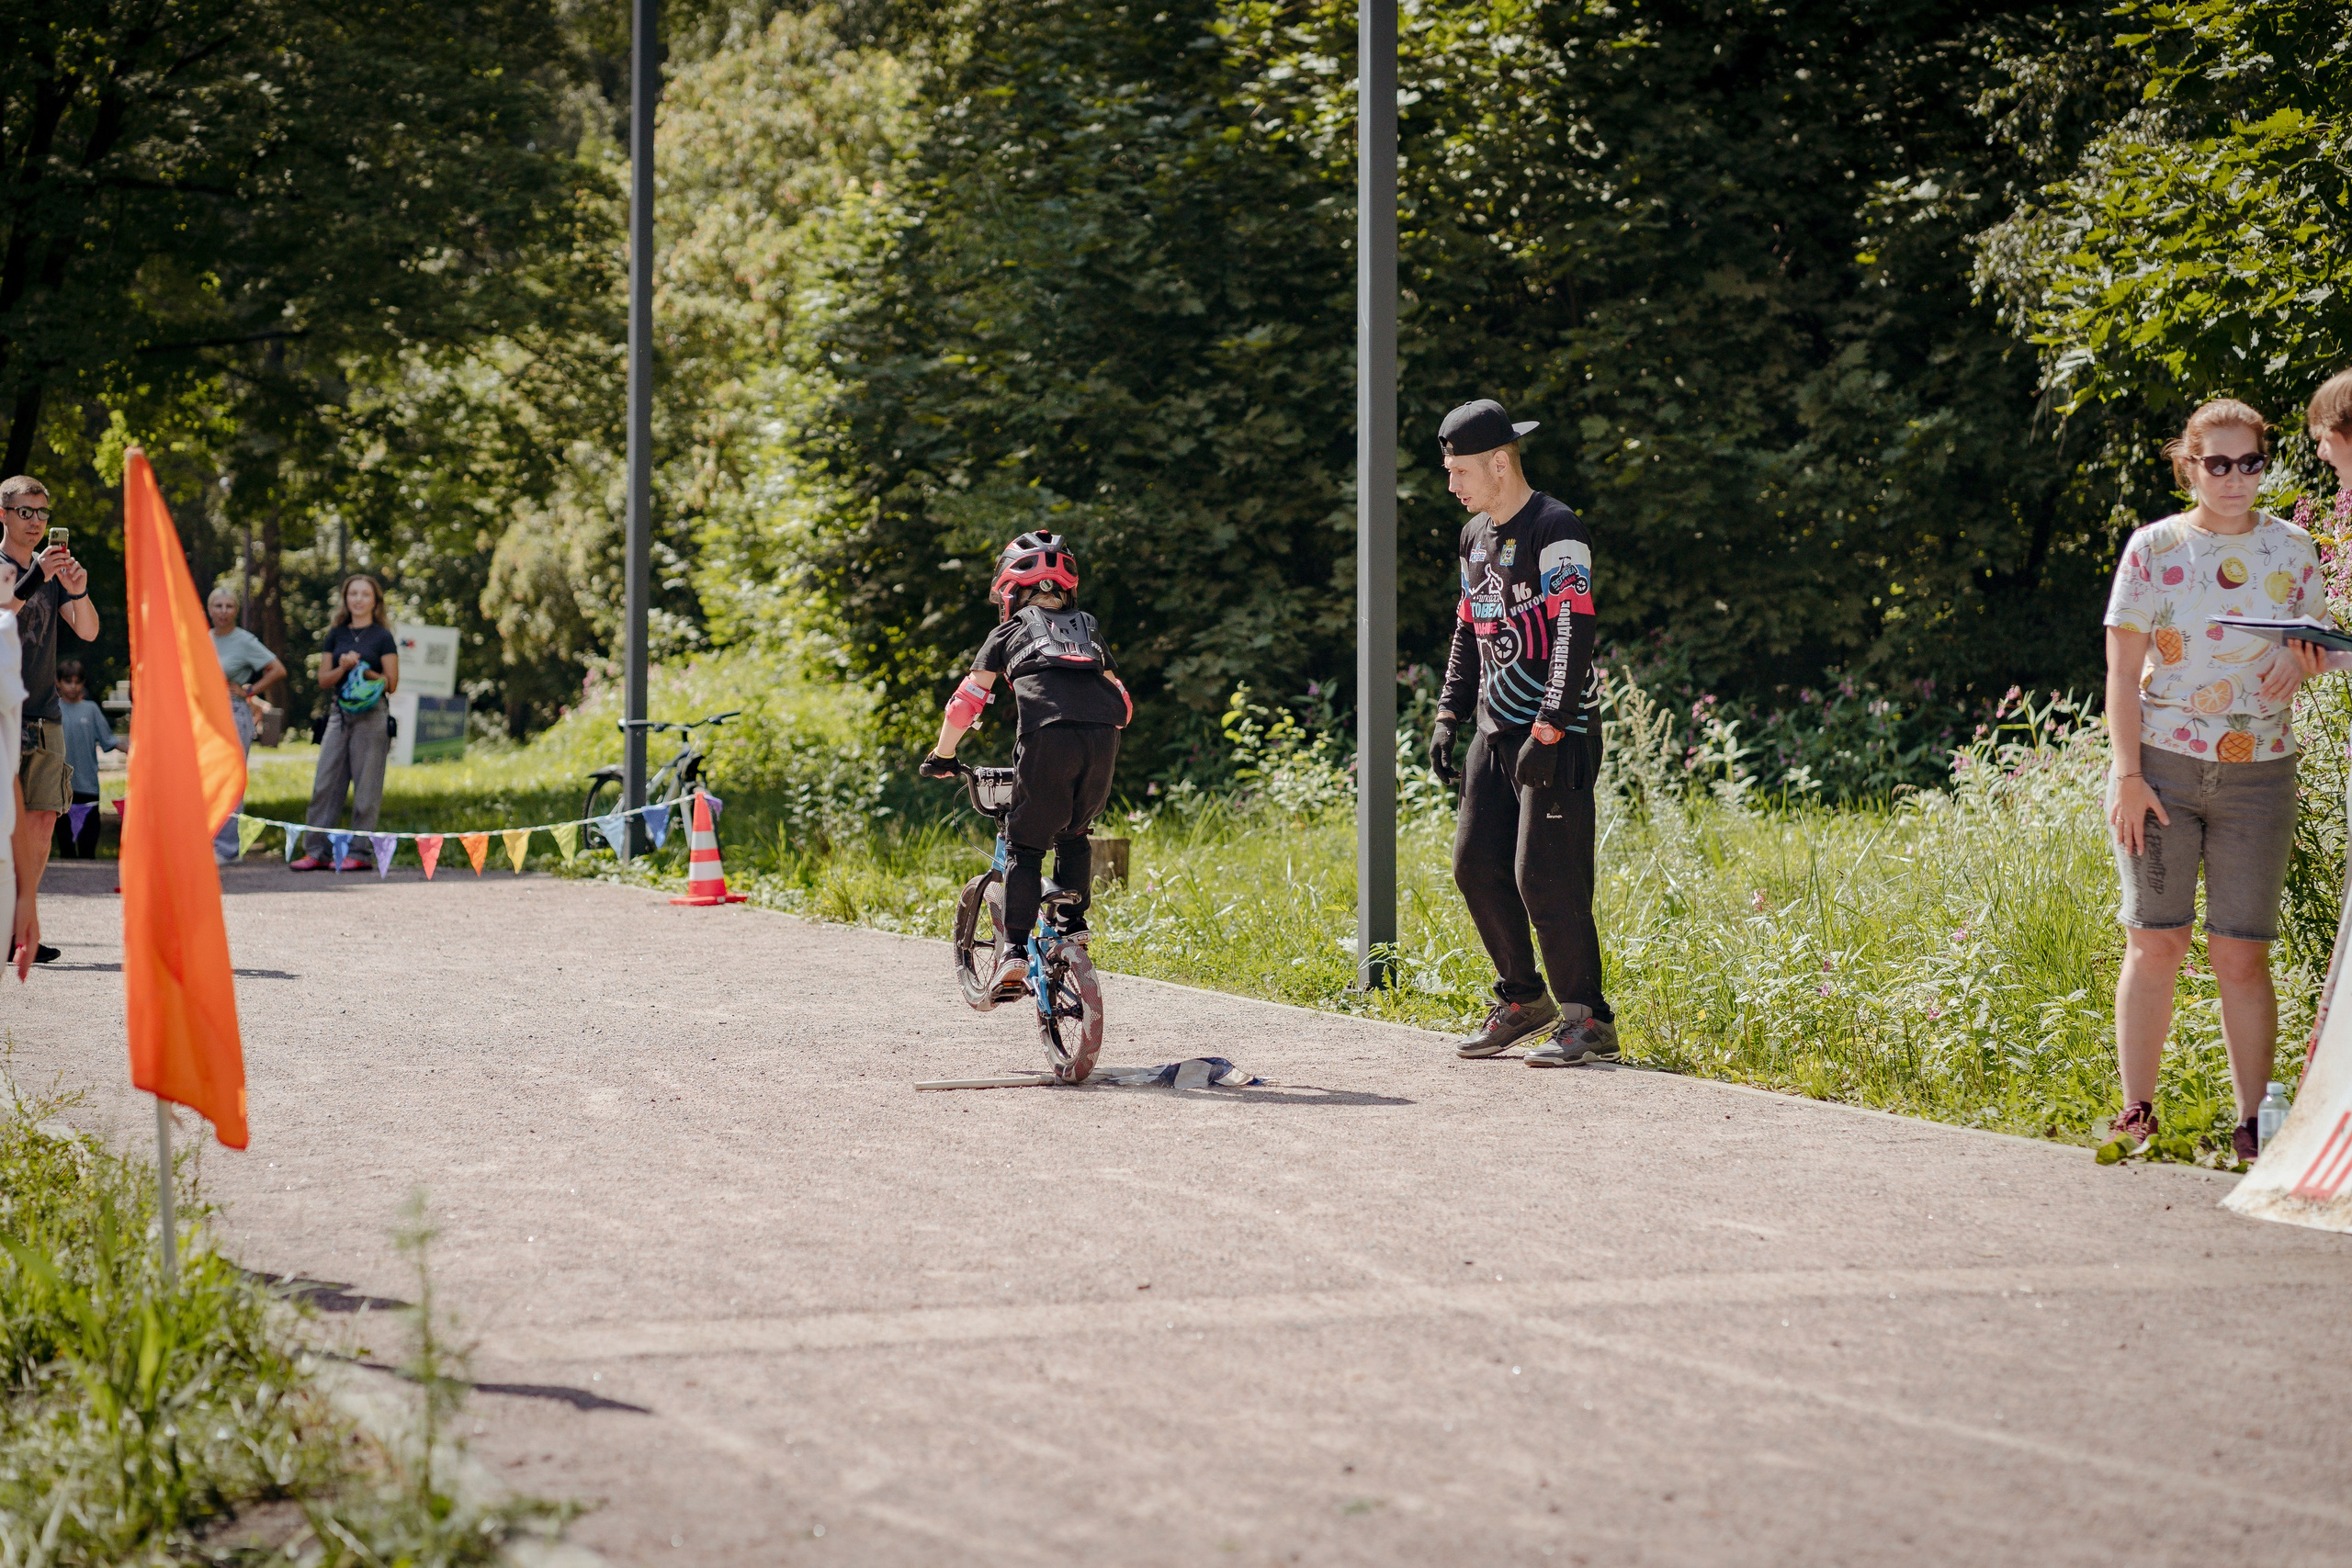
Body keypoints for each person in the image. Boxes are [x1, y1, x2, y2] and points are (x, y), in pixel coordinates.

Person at [2104, 399, 2319, 1164]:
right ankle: (2136, 1112)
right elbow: (2122, 675)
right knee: (2155, 941)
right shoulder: (2154, 548)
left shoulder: (2295, 550)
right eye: (2218, 464)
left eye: (2251, 462)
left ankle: (2254, 1127)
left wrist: (2303, 658)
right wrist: (2128, 777)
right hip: (2160, 766)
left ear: (2266, 463)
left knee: (2242, 952)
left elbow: (2314, 647)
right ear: (2189, 465)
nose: (2235, 479)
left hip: (2261, 774)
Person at [1425, 400, 1616, 1066]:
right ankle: (1523, 998)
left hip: (1556, 731)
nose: (1451, 485)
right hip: (1495, 728)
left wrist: (1552, 725)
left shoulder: (1555, 526)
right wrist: (1449, 713)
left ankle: (1587, 1020)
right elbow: (1466, 627)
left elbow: (1574, 626)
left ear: (1500, 463)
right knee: (1474, 864)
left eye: (1460, 471)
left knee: (1546, 876)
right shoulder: (1474, 537)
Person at [919, 533, 1131, 991]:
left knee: (1025, 842)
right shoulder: (1090, 628)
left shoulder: (1009, 631)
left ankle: (1013, 951)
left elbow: (965, 704)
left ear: (1011, 590)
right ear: (1066, 589)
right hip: (1102, 741)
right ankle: (1074, 927)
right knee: (1074, 832)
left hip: (1047, 737)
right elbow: (1123, 703)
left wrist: (943, 755)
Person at [0, 476, 97, 964]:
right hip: (1, 714)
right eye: (25, 512)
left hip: (45, 713)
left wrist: (76, 591)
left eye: (42, 512)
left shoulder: (53, 573)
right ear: (3, 515)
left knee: (41, 822)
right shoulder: (4, 568)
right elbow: (1, 610)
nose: (35, 521)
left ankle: (21, 928)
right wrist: (37, 575)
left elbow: (91, 631)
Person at [290, 573, 398, 873]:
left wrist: (365, 670)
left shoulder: (382, 637)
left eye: (365, 594)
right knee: (325, 784)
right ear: (346, 599)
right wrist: (342, 667)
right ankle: (317, 851)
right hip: (339, 714)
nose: (359, 599)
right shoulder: (335, 634)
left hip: (373, 715)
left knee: (366, 790)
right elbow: (324, 680)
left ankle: (360, 853)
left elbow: (391, 683)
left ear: (375, 601)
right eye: (354, 594)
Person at [207, 585, 286, 864]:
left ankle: (227, 849)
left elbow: (277, 669)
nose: (223, 611)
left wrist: (250, 690)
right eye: (218, 606)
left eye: (229, 606)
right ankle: (207, 843)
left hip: (233, 712)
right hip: (205, 714)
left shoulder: (244, 641)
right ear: (209, 609)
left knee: (229, 780)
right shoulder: (202, 638)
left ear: (236, 610)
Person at [54, 661, 121, 860]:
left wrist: (136, 752)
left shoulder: (91, 710)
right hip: (60, 788)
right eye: (68, 681)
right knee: (66, 847)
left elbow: (110, 740)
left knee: (87, 847)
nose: (73, 687)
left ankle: (88, 884)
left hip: (88, 786)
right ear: (58, 683)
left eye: (78, 682)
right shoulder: (52, 710)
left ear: (83, 683)